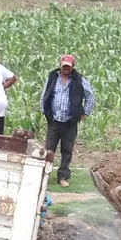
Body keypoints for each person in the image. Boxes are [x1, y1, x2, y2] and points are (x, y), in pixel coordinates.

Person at [38, 53, 95, 187]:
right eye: (64, 66)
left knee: (67, 150)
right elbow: (44, 95)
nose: (66, 69)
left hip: (70, 121)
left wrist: (84, 113)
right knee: (49, 149)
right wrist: (44, 111)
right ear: (60, 66)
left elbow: (90, 97)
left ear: (72, 67)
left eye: (68, 67)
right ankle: (44, 175)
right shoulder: (53, 77)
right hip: (54, 120)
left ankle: (63, 177)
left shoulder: (79, 80)